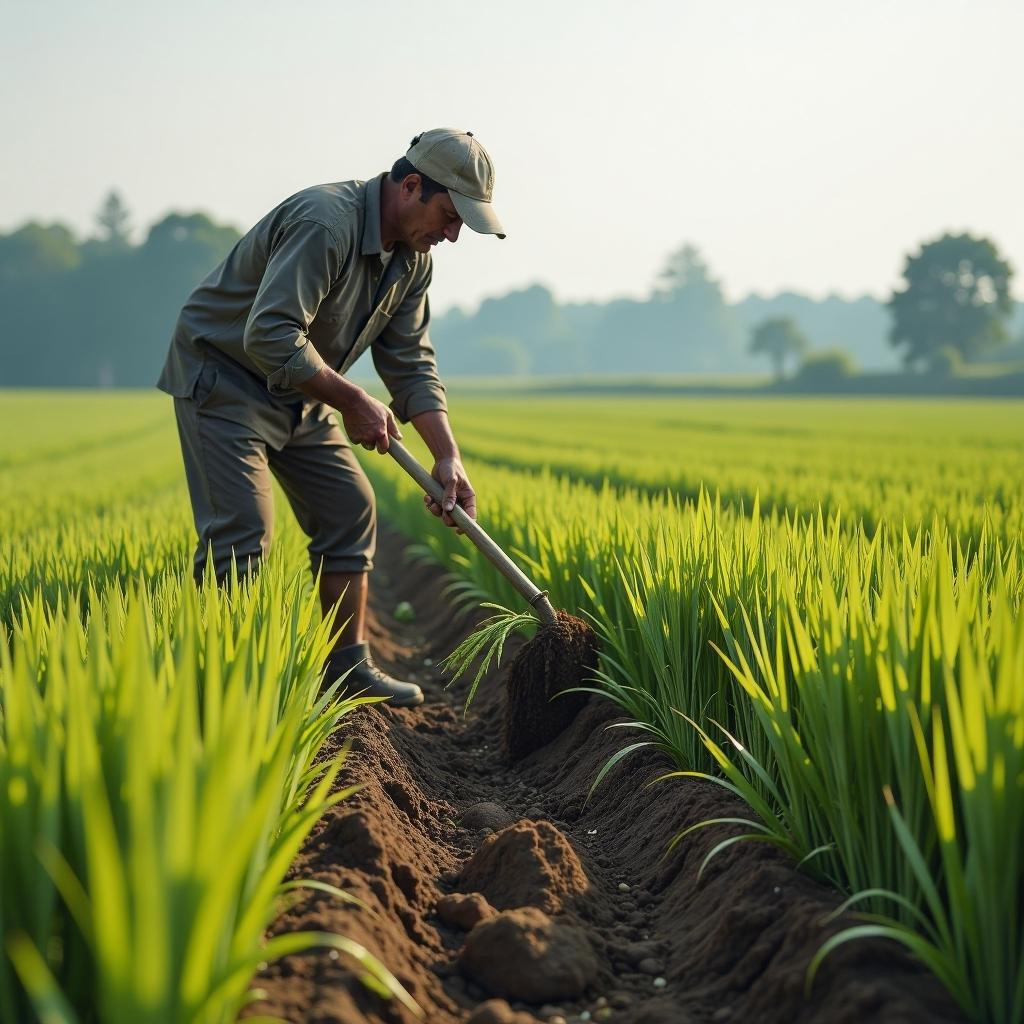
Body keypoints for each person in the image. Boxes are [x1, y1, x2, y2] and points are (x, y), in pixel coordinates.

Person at [156, 128, 505, 707]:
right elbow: (269, 333)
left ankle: (347, 669)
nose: (451, 235)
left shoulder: (412, 261)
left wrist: (448, 455)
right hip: (225, 377)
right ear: (411, 185)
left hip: (299, 390)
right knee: (242, 533)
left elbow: (411, 363)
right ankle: (220, 693)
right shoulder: (327, 223)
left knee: (350, 508)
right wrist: (352, 401)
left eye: (461, 225)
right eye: (448, 216)